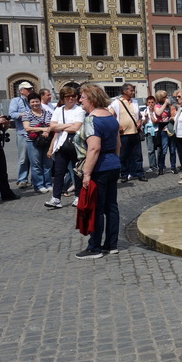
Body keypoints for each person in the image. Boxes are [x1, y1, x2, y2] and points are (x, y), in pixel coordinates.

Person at [74, 83, 121, 259]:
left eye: (82, 97)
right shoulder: (110, 117)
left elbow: (94, 149)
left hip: (99, 167)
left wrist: (86, 173)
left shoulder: (91, 120)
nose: (80, 100)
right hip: (113, 164)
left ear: (92, 99)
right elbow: (118, 144)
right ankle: (111, 244)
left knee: (96, 207)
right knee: (112, 207)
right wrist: (115, 160)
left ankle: (94, 247)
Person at [45, 86, 85, 209]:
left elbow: (76, 128)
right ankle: (56, 198)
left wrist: (60, 126)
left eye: (73, 96)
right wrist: (68, 125)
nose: (71, 98)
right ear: (63, 98)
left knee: (77, 172)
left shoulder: (79, 110)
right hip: (61, 145)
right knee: (59, 172)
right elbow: (52, 126)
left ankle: (78, 197)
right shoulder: (58, 110)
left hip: (75, 145)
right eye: (68, 96)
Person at [108, 82, 146, 183]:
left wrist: (139, 121)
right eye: (131, 90)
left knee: (138, 155)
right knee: (123, 155)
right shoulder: (116, 103)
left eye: (133, 90)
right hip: (123, 134)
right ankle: (124, 174)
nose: (133, 92)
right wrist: (117, 125)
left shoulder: (135, 102)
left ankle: (140, 173)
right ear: (124, 91)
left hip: (135, 132)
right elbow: (109, 115)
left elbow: (139, 116)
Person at [22, 91, 53, 194]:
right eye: (32, 102)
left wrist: (47, 130)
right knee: (36, 164)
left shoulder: (48, 113)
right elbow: (27, 128)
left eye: (37, 101)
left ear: (40, 101)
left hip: (47, 141)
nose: (35, 104)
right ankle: (38, 185)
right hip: (32, 142)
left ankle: (48, 184)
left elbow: (52, 126)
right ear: (29, 103)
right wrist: (42, 129)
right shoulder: (27, 114)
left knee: (48, 163)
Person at [8, 81, 33, 188]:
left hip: (34, 133)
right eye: (28, 89)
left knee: (33, 158)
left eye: (31, 89)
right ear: (21, 91)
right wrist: (25, 115)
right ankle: (22, 179)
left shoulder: (33, 101)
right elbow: (12, 114)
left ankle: (34, 179)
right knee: (23, 158)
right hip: (22, 133)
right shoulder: (16, 101)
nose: (30, 90)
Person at [153, 90, 177, 175]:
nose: (166, 98)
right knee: (163, 150)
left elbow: (174, 113)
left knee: (173, 150)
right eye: (164, 96)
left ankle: (173, 167)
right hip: (163, 130)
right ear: (160, 97)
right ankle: (161, 167)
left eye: (167, 96)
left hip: (171, 128)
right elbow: (158, 113)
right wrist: (165, 104)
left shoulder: (170, 105)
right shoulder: (157, 105)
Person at [141, 95, 158, 173]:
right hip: (148, 132)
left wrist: (151, 113)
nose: (151, 104)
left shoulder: (157, 109)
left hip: (156, 130)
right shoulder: (145, 110)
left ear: (155, 102)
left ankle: (160, 165)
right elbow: (143, 123)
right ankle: (152, 166)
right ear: (147, 103)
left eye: (152, 102)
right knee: (150, 150)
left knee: (159, 150)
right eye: (149, 102)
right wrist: (145, 118)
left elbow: (155, 121)